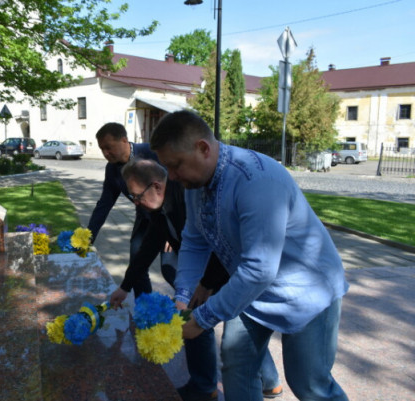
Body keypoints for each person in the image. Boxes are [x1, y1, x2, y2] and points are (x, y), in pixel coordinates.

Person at [149, 110, 349, 401]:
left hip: (307, 290)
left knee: (309, 384)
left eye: (176, 166)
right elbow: (194, 240)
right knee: (237, 365)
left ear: (203, 148)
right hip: (252, 292)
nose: (174, 178)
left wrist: (201, 318)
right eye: (168, 169)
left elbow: (259, 269)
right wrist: (183, 296)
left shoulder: (256, 180)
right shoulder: (196, 182)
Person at [112, 157, 282, 401]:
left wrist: (206, 284)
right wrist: (125, 287)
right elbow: (148, 249)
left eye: (136, 196)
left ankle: (210, 387)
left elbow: (220, 245)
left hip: (229, 273)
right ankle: (253, 383)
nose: (136, 203)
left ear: (156, 187)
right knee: (215, 325)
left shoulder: (187, 199)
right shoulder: (159, 209)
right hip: (205, 274)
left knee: (233, 331)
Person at [87, 122, 160, 297]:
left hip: (171, 218)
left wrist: (173, 226)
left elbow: (176, 189)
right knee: (137, 266)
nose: (105, 153)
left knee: (171, 271)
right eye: (102, 149)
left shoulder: (151, 153)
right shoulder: (112, 170)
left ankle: (199, 320)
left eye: (109, 147)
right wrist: (87, 237)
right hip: (145, 219)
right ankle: (145, 314)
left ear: (124, 140)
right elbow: (104, 204)